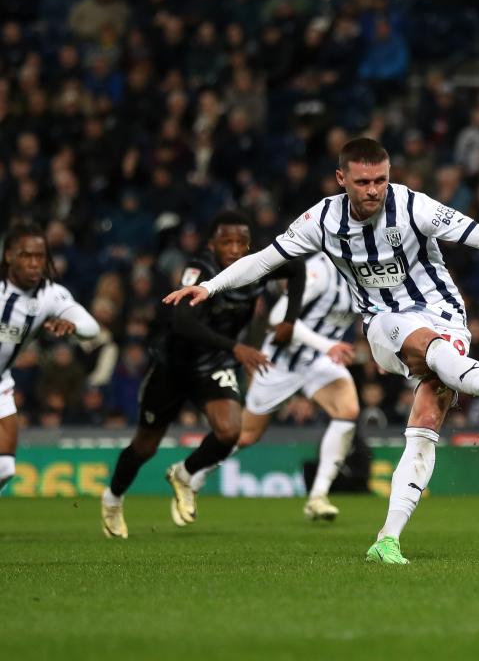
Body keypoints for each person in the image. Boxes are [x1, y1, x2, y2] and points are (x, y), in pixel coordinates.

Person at [165, 138, 479, 564]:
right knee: (417, 338)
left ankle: (388, 538)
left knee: (426, 419)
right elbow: (264, 260)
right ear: (342, 179)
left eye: (381, 179)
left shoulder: (414, 207)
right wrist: (209, 286)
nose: (373, 190)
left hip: (446, 316)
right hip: (383, 324)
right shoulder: (321, 219)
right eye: (363, 181)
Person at [100, 211, 306, 538]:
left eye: (241, 242)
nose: (235, 249)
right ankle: (112, 499)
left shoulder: (257, 266)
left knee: (229, 431)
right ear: (212, 244)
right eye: (227, 241)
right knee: (145, 446)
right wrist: (235, 347)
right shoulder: (199, 270)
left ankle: (185, 473)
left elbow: (296, 268)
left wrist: (290, 320)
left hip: (214, 365)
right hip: (174, 365)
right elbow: (182, 321)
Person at [193, 253, 359, 521]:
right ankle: (195, 474)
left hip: (318, 361)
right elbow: (279, 316)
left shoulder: (367, 273)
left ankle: (318, 497)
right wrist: (327, 346)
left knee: (348, 410)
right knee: (246, 435)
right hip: (282, 362)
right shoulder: (320, 271)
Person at [0, 223, 100, 492]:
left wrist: (75, 327)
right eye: (26, 256)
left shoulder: (50, 295)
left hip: (0, 383)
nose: (34, 264)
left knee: (5, 468)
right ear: (9, 256)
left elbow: (92, 327)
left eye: (40, 257)